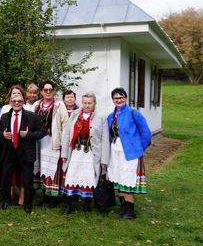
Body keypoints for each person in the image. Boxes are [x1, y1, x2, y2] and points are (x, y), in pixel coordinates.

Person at [60, 92, 109, 215]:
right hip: (76, 152)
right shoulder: (75, 115)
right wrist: (64, 154)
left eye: (90, 103)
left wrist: (104, 159)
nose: (87, 105)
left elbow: (104, 139)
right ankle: (69, 204)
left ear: (94, 104)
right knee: (72, 175)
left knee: (89, 178)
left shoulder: (101, 118)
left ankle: (87, 204)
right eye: (85, 103)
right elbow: (66, 135)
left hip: (90, 153)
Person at [106, 87, 152, 220]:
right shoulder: (111, 116)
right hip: (115, 150)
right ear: (113, 100)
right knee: (119, 178)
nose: (118, 100)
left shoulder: (134, 113)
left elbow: (146, 133)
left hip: (130, 152)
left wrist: (139, 148)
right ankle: (123, 209)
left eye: (121, 97)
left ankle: (130, 212)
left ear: (125, 98)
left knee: (127, 179)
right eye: (116, 98)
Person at [0, 93, 44, 214]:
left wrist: (28, 135)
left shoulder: (32, 116)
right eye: (14, 101)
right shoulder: (5, 116)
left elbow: (41, 132)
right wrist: (3, 135)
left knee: (27, 179)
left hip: (26, 151)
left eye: (19, 101)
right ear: (10, 102)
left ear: (23, 102)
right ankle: (6, 200)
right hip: (9, 150)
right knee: (6, 177)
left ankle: (27, 204)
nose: (16, 103)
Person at [34, 80, 69, 206]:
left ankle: (53, 198)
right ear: (41, 92)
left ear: (53, 91)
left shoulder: (59, 105)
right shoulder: (37, 105)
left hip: (53, 141)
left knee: (52, 169)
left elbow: (66, 125)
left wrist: (63, 144)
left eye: (50, 90)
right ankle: (44, 196)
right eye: (45, 90)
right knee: (42, 168)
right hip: (39, 141)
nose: (48, 92)